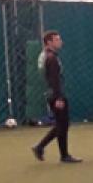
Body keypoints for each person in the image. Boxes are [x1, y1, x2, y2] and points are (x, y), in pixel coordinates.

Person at [31, 31, 81, 163]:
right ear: (49, 42)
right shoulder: (51, 58)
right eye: (57, 39)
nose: (60, 42)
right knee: (62, 124)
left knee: (62, 124)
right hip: (55, 94)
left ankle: (41, 147)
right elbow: (54, 79)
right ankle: (62, 155)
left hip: (51, 93)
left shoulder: (44, 56)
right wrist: (59, 97)